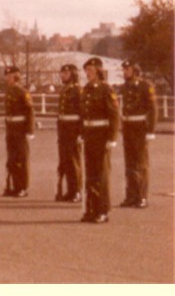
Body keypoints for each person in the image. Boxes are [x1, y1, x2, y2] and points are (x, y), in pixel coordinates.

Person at [80, 57, 120, 223]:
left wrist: (112, 137)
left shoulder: (106, 89)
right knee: (90, 174)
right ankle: (91, 208)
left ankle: (102, 210)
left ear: (98, 71)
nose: (87, 74)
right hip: (89, 135)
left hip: (102, 135)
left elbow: (114, 114)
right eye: (86, 71)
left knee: (101, 174)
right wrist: (82, 133)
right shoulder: (87, 89)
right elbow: (83, 114)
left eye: (90, 70)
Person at [119, 60, 157, 209]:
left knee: (141, 163)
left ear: (135, 71)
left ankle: (142, 196)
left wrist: (150, 130)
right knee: (130, 163)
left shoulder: (145, 86)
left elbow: (152, 109)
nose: (124, 73)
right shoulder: (126, 87)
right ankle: (131, 195)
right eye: (124, 70)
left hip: (140, 128)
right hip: (128, 127)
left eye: (127, 70)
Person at [3, 65, 35, 197]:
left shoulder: (22, 92)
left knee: (21, 158)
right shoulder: (9, 91)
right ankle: (14, 186)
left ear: (17, 77)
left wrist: (30, 131)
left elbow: (30, 111)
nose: (7, 79)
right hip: (11, 128)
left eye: (10, 76)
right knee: (12, 159)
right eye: (6, 76)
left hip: (21, 128)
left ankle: (22, 187)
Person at [56, 64, 83, 202]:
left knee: (74, 161)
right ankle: (70, 190)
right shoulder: (65, 90)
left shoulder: (77, 90)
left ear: (72, 74)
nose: (62, 76)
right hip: (64, 129)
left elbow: (82, 113)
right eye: (62, 73)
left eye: (65, 73)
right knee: (65, 161)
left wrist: (80, 133)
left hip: (73, 129)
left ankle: (77, 191)